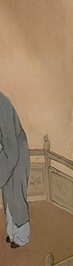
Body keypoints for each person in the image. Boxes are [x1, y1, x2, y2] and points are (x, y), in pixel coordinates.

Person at [0, 91, 30, 248]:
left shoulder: (3, 106)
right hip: (8, 152)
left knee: (17, 195)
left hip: (17, 153)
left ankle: (21, 237)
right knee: (8, 195)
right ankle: (12, 234)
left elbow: (11, 147)